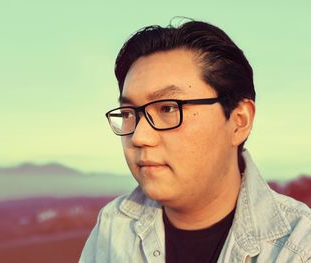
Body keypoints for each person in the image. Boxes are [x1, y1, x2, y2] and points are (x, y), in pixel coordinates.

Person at [80, 19, 311, 262]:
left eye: (168, 109)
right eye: (128, 114)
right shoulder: (113, 227)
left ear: (239, 121)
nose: (139, 136)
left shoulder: (299, 249)